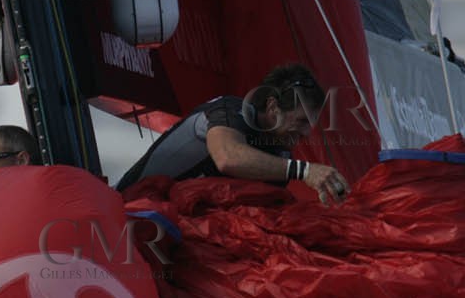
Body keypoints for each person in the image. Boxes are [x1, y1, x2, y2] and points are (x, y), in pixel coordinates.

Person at [115, 63, 352, 205]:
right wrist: (305, 171)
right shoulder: (229, 110)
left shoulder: (278, 152)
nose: (306, 132)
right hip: (126, 213)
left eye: (310, 124)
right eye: (301, 121)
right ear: (272, 107)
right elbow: (228, 158)